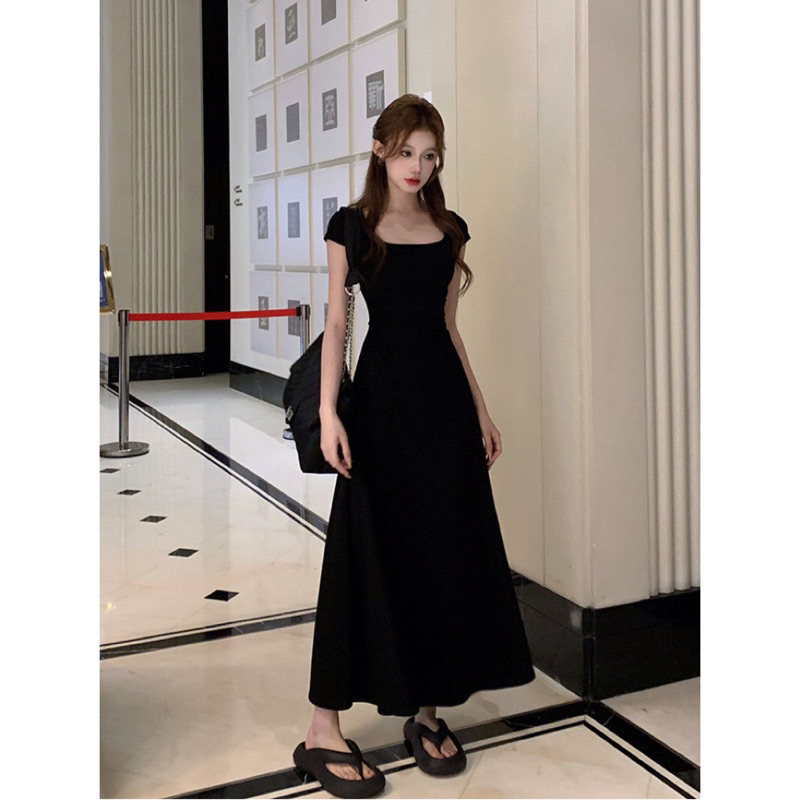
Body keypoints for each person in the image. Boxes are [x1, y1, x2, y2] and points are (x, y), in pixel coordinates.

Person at [292, 94, 535, 798]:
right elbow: (339, 324)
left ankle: (427, 710)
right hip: (379, 411)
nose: (417, 167)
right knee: (361, 554)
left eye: (429, 156)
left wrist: (481, 410)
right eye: (405, 152)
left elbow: (449, 329)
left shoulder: (449, 229)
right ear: (380, 150)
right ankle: (322, 729)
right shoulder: (352, 227)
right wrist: (329, 413)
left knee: (442, 552)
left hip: (444, 414)